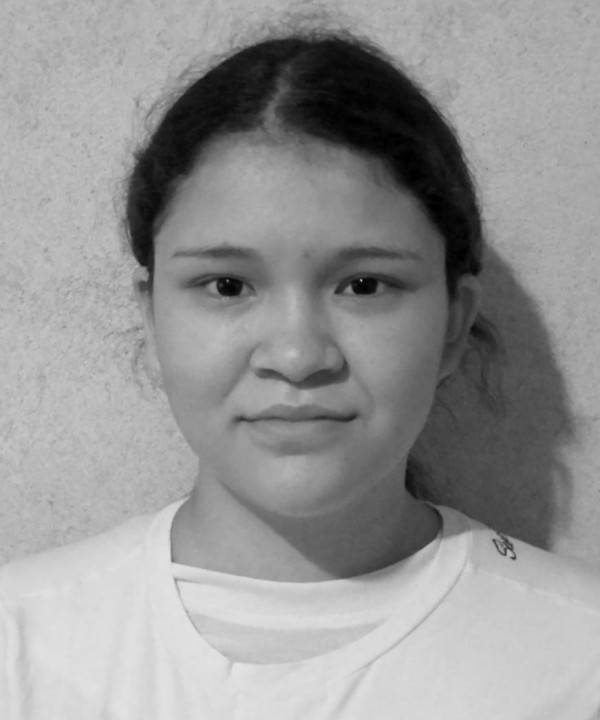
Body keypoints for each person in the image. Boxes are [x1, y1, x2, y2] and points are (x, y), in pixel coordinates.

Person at [1, 26, 600, 719]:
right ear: (153, 320)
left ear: (453, 326)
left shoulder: (578, 657)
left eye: (365, 285)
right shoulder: (21, 645)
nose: (297, 356)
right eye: (227, 286)